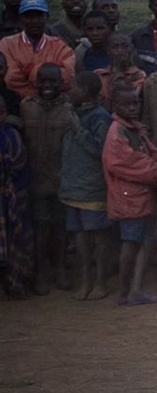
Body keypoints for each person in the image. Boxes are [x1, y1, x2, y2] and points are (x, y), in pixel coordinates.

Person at [19, 62, 76, 293]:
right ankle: (42, 272)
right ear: (36, 83)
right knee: (41, 229)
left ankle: (61, 269)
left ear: (62, 83)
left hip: (62, 179)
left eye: (53, 81)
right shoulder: (26, 106)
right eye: (43, 81)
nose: (48, 85)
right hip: (35, 180)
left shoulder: (70, 108)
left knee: (61, 229)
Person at [59, 70, 113, 300]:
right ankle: (86, 281)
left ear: (86, 92)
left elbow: (100, 151)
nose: (70, 91)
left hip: (92, 186)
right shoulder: (72, 113)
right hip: (72, 185)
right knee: (79, 236)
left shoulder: (100, 117)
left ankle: (100, 282)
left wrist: (77, 128)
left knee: (98, 237)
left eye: (74, 87)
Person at [2, 0, 75, 100]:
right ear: (20, 19)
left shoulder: (60, 45)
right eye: (29, 17)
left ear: (47, 18)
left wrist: (30, 71)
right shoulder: (7, 44)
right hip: (17, 103)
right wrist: (48, 74)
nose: (35, 21)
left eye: (39, 16)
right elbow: (11, 79)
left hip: (55, 103)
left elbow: (67, 77)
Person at [0, 89, 31, 295]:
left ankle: (13, 282)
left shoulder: (12, 136)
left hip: (10, 198)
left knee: (15, 240)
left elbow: (21, 168)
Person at [103, 33, 146, 98]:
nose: (120, 50)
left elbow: (124, 99)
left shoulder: (139, 75)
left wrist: (119, 71)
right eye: (115, 47)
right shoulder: (100, 76)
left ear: (131, 49)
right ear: (108, 50)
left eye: (125, 46)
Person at [73, 11, 114, 75]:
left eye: (100, 28)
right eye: (90, 29)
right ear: (84, 31)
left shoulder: (120, 54)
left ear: (109, 28)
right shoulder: (80, 56)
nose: (95, 33)